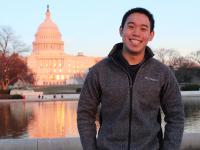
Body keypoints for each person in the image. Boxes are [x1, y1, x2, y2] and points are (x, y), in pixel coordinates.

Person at [77, 7, 184, 150]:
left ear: (151, 35)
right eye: (131, 26)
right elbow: (85, 115)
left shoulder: (163, 73)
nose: (136, 33)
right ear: (121, 30)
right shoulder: (99, 71)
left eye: (143, 28)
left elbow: (176, 117)